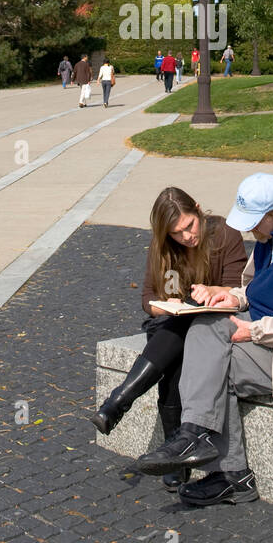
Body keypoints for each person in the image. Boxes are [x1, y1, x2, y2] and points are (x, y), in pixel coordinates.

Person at [137, 172, 273, 507]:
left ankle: (222, 466)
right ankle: (203, 444)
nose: (251, 232)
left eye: (255, 225)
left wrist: (251, 331)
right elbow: (257, 288)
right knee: (204, 327)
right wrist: (231, 298)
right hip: (267, 331)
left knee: (215, 361)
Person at [91, 187, 247, 490]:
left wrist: (214, 292)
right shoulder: (164, 246)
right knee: (176, 335)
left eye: (190, 226)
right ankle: (175, 450)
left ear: (198, 210)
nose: (187, 236)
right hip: (171, 324)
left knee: (182, 345)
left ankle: (119, 402)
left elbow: (239, 289)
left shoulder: (225, 234)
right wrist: (165, 305)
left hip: (212, 322)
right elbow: (149, 298)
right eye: (177, 233)